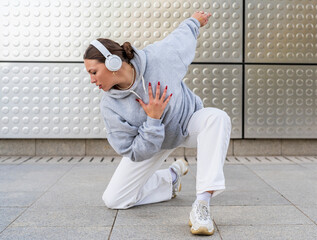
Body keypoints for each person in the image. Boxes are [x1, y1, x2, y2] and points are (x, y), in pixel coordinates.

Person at [83, 11, 231, 236]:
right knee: (114, 199)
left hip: (187, 124)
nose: (92, 80)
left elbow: (180, 38)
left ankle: (202, 204)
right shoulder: (110, 106)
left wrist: (195, 22)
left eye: (94, 72)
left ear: (113, 62)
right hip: (152, 144)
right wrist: (153, 121)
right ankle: (170, 178)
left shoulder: (157, 58)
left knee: (217, 118)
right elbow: (131, 150)